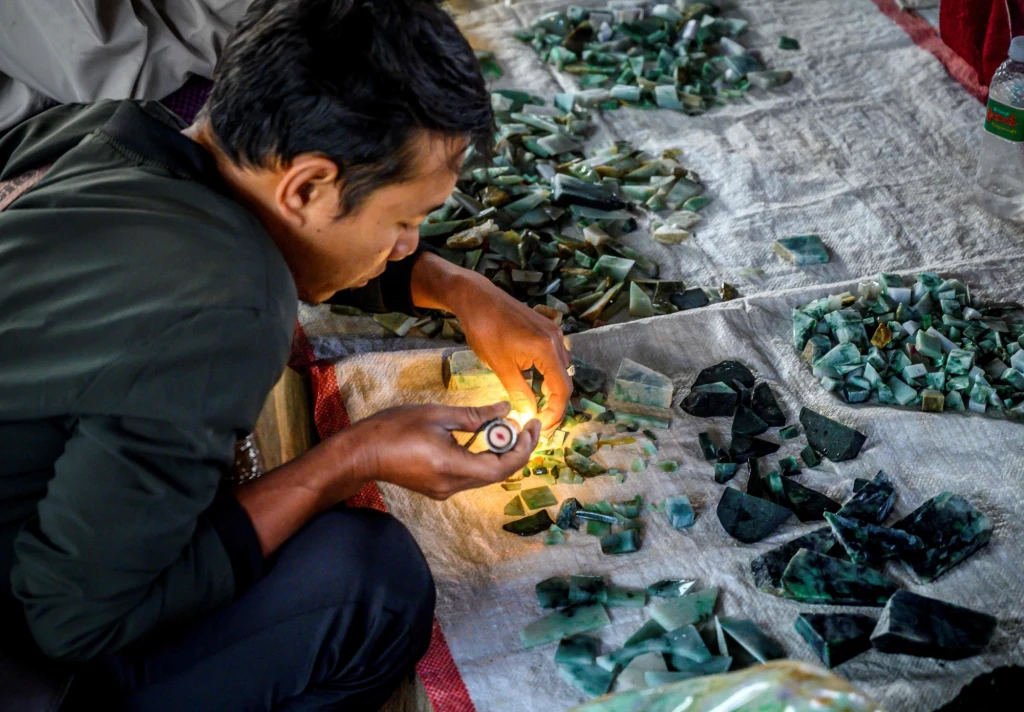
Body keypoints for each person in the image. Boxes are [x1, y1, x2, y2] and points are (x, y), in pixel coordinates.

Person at [0, 0, 573, 709]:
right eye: (404, 222)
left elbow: (284, 234)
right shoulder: (222, 312)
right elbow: (73, 621)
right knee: (372, 586)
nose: (404, 246)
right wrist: (350, 459)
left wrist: (456, 287)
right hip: (28, 643)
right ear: (304, 186)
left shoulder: (91, 132)